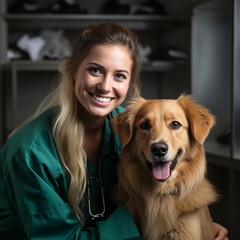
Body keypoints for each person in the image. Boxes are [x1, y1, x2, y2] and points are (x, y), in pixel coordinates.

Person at [0, 22, 228, 240]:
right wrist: (134, 216)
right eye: (95, 70)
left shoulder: (129, 126)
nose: (106, 86)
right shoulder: (30, 153)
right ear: (72, 71)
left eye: (119, 75)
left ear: (129, 83)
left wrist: (199, 224)